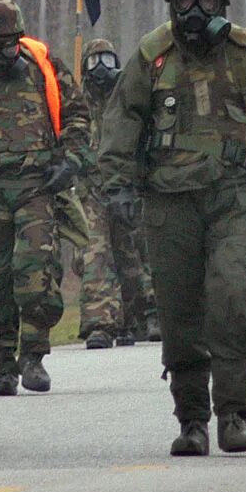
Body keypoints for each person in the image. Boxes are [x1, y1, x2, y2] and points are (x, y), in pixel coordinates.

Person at [96, 0, 246, 456]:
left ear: (224, 4)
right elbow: (122, 121)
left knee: (235, 295)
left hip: (231, 197)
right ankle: (191, 419)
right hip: (168, 203)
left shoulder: (245, 55)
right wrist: (118, 185)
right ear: (173, 4)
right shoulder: (152, 56)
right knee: (179, 310)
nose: (196, 11)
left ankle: (232, 414)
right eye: (186, 0)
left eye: (207, 0)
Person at [0, 0, 91, 397]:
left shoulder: (44, 67)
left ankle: (33, 357)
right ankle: (1, 364)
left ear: (20, 39)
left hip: (36, 187)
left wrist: (71, 160)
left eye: (9, 44)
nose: (2, 53)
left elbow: (79, 113)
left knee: (37, 271)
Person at [77, 38, 158, 347]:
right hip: (92, 190)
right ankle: (101, 323)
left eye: (108, 61)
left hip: (128, 186)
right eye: (94, 61)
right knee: (96, 253)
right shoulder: (76, 102)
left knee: (135, 253)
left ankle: (148, 315)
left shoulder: (128, 97)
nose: (101, 69)